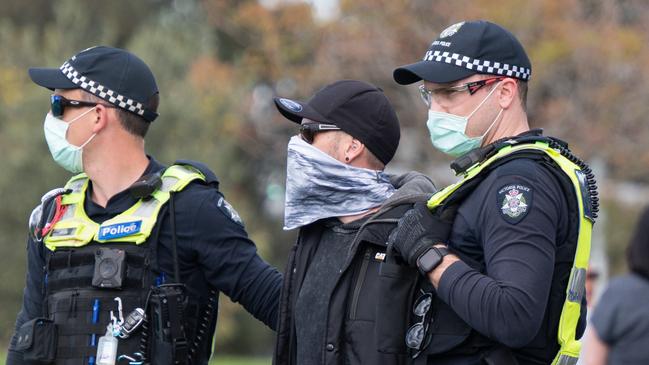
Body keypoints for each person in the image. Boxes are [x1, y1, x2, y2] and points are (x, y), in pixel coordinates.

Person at [6, 46, 282, 365]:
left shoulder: (190, 208)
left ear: (97, 116)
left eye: (59, 105)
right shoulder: (52, 217)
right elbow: (25, 342)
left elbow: (288, 312)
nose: (52, 118)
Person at [387, 20, 599, 364]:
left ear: (503, 92)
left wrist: (429, 255)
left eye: (449, 92)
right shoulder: (494, 172)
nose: (434, 109)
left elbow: (513, 314)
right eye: (429, 94)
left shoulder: (517, 183)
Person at [271, 80, 437, 365]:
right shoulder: (314, 232)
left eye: (309, 133)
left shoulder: (412, 236)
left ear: (352, 147)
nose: (298, 144)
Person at [583, 207, 649, 365]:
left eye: (593, 277)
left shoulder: (620, 295)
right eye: (585, 277)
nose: (589, 284)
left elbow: (593, 360)